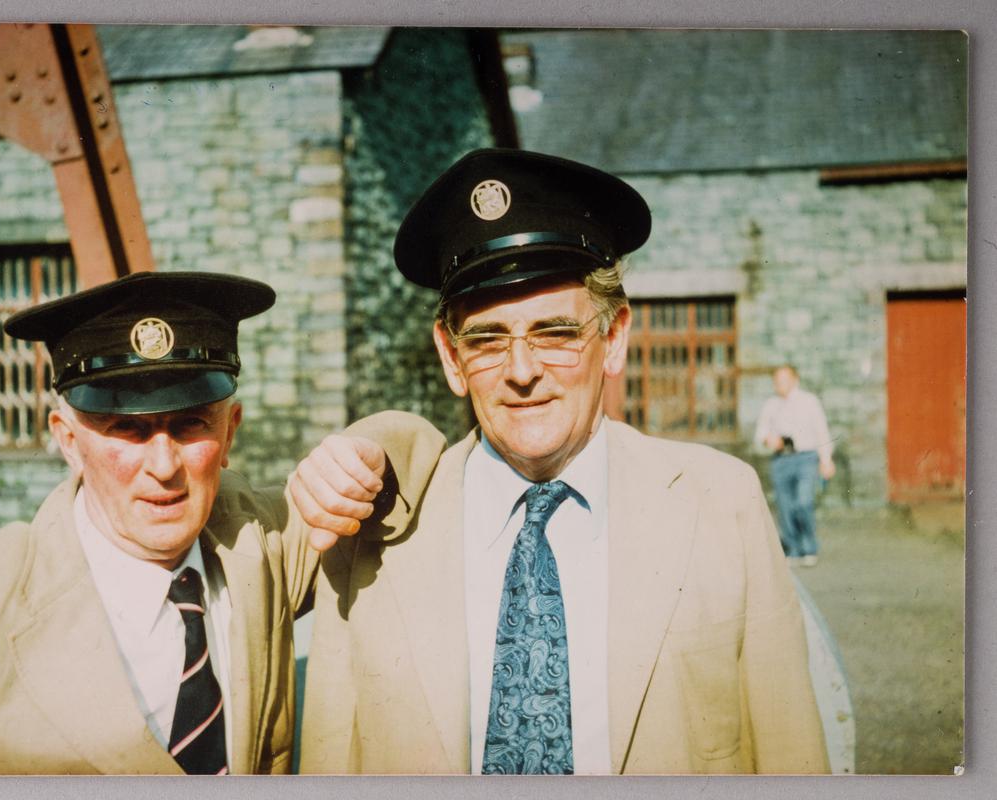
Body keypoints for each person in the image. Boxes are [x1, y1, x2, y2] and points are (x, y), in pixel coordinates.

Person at [295, 149, 829, 775]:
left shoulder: (722, 503)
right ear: (451, 356)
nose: (522, 371)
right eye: (488, 340)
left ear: (614, 336)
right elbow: (330, 761)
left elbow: (792, 756)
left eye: (555, 333)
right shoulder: (370, 534)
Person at [0, 271, 441, 775]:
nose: (164, 466)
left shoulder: (261, 542)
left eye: (190, 425)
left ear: (230, 432)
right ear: (69, 442)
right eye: (128, 429)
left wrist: (360, 459)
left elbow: (407, 447)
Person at [754, 365, 836, 567]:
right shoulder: (771, 404)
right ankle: (793, 548)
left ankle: (809, 546)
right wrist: (768, 440)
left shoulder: (809, 402)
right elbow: (760, 432)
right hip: (781, 459)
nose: (779, 384)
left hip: (806, 457)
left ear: (795, 380)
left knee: (803, 501)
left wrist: (826, 460)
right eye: (776, 380)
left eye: (784, 380)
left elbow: (821, 431)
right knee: (785, 505)